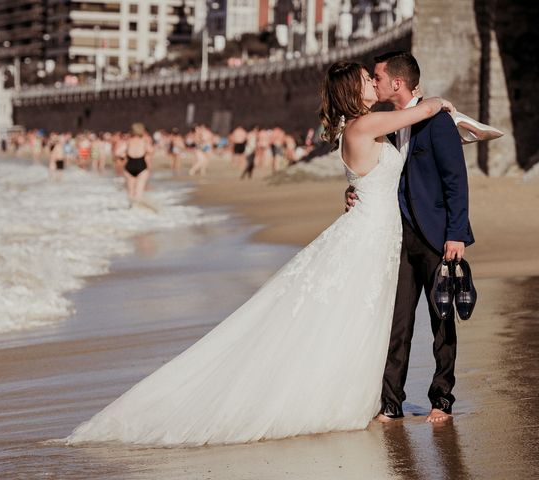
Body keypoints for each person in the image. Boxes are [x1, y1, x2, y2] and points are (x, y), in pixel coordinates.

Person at [63, 61, 453, 447]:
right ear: (354, 91)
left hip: (377, 231)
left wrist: (352, 193)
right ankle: (337, 393)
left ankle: (363, 393)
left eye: (374, 77)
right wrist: (442, 103)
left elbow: (367, 177)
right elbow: (423, 109)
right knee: (350, 314)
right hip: (371, 235)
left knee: (358, 315)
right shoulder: (365, 124)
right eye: (367, 80)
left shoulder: (360, 127)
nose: (373, 82)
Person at [346, 51, 475, 424]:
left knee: (442, 319)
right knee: (397, 322)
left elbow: (456, 182)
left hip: (437, 239)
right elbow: (371, 170)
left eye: (378, 76)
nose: (375, 81)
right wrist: (354, 191)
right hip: (396, 239)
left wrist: (456, 235)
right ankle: (391, 402)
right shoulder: (384, 125)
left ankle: (442, 398)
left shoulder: (437, 123)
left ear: (396, 83)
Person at [123, 123, 152, 205]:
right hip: (141, 165)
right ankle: (138, 212)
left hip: (129, 165)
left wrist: (125, 154)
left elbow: (118, 152)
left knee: (130, 192)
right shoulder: (144, 141)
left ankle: (130, 209)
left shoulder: (128, 141)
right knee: (139, 193)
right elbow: (150, 151)